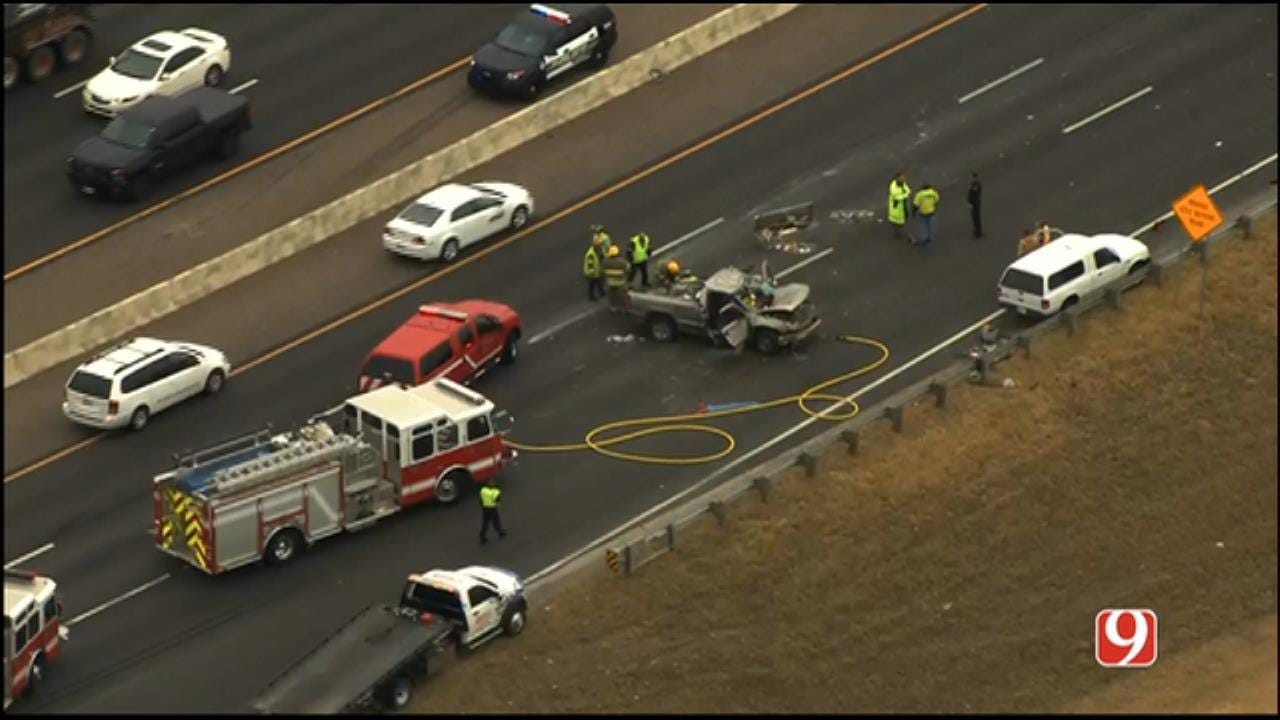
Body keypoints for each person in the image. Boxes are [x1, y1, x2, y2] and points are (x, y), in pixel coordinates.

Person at [479, 476, 506, 545]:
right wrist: (498, 504)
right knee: (496, 521)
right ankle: (500, 533)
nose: (494, 482)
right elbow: (497, 500)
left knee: (485, 523)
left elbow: (481, 500)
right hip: (492, 508)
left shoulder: (483, 490)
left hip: (485, 509)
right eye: (492, 481)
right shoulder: (495, 492)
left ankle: (482, 536)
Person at [913, 182, 941, 246]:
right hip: (931, 212)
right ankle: (930, 238)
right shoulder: (933, 192)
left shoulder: (919, 194)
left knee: (924, 226)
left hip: (923, 212)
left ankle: (924, 238)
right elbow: (937, 200)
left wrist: (913, 213)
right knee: (931, 225)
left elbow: (916, 205)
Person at [603, 244, 630, 309]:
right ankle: (625, 306)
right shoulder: (623, 262)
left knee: (612, 295)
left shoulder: (605, 262)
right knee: (624, 294)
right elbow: (628, 269)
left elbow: (603, 271)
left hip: (610, 282)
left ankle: (613, 306)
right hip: (620, 281)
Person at [887, 171, 912, 241]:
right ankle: (897, 233)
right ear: (897, 178)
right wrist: (905, 195)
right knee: (896, 221)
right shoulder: (893, 187)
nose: (903, 179)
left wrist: (905, 194)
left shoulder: (903, 184)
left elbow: (908, 190)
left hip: (902, 205)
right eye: (901, 178)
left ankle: (898, 231)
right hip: (897, 207)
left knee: (901, 219)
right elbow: (897, 197)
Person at [583, 235, 605, 301]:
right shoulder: (591, 254)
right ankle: (591, 297)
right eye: (598, 245)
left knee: (599, 282)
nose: (600, 246)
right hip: (591, 273)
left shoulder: (598, 251)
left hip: (596, 271)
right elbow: (590, 265)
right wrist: (592, 274)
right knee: (592, 285)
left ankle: (601, 292)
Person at [967, 171, 983, 239]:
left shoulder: (975, 184)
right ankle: (977, 230)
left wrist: (971, 203)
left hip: (975, 203)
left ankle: (978, 232)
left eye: (971, 177)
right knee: (975, 217)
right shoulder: (974, 184)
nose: (970, 178)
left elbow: (974, 195)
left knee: (976, 217)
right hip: (975, 203)